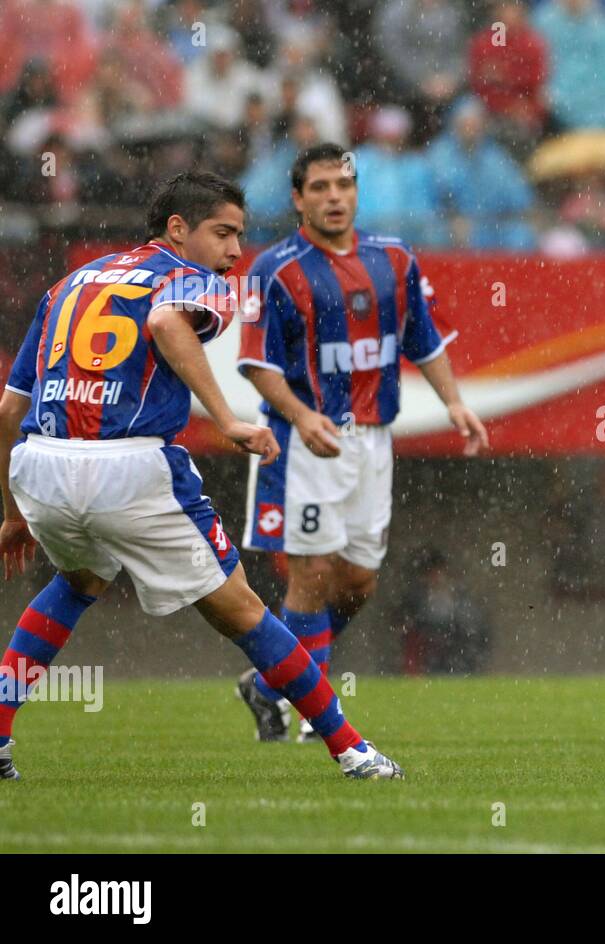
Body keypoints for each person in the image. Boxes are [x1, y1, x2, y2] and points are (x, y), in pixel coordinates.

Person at [0, 171, 402, 780]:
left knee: (77, 582)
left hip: (41, 463)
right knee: (242, 611)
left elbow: (8, 410)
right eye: (223, 233)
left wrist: (11, 513)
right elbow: (165, 323)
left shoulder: (69, 283)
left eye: (240, 236)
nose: (236, 252)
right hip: (128, 467)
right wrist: (228, 419)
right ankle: (353, 751)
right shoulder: (190, 279)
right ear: (178, 229)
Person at [236, 143, 488, 742]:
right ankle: (315, 715)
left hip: (374, 440)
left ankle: (271, 681)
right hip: (305, 443)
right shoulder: (274, 268)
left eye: (343, 186)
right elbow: (255, 362)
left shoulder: (395, 259)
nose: (333, 197)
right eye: (319, 187)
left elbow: (422, 339)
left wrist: (453, 402)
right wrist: (299, 416)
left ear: (356, 193)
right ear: (297, 199)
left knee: (358, 583)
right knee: (312, 574)